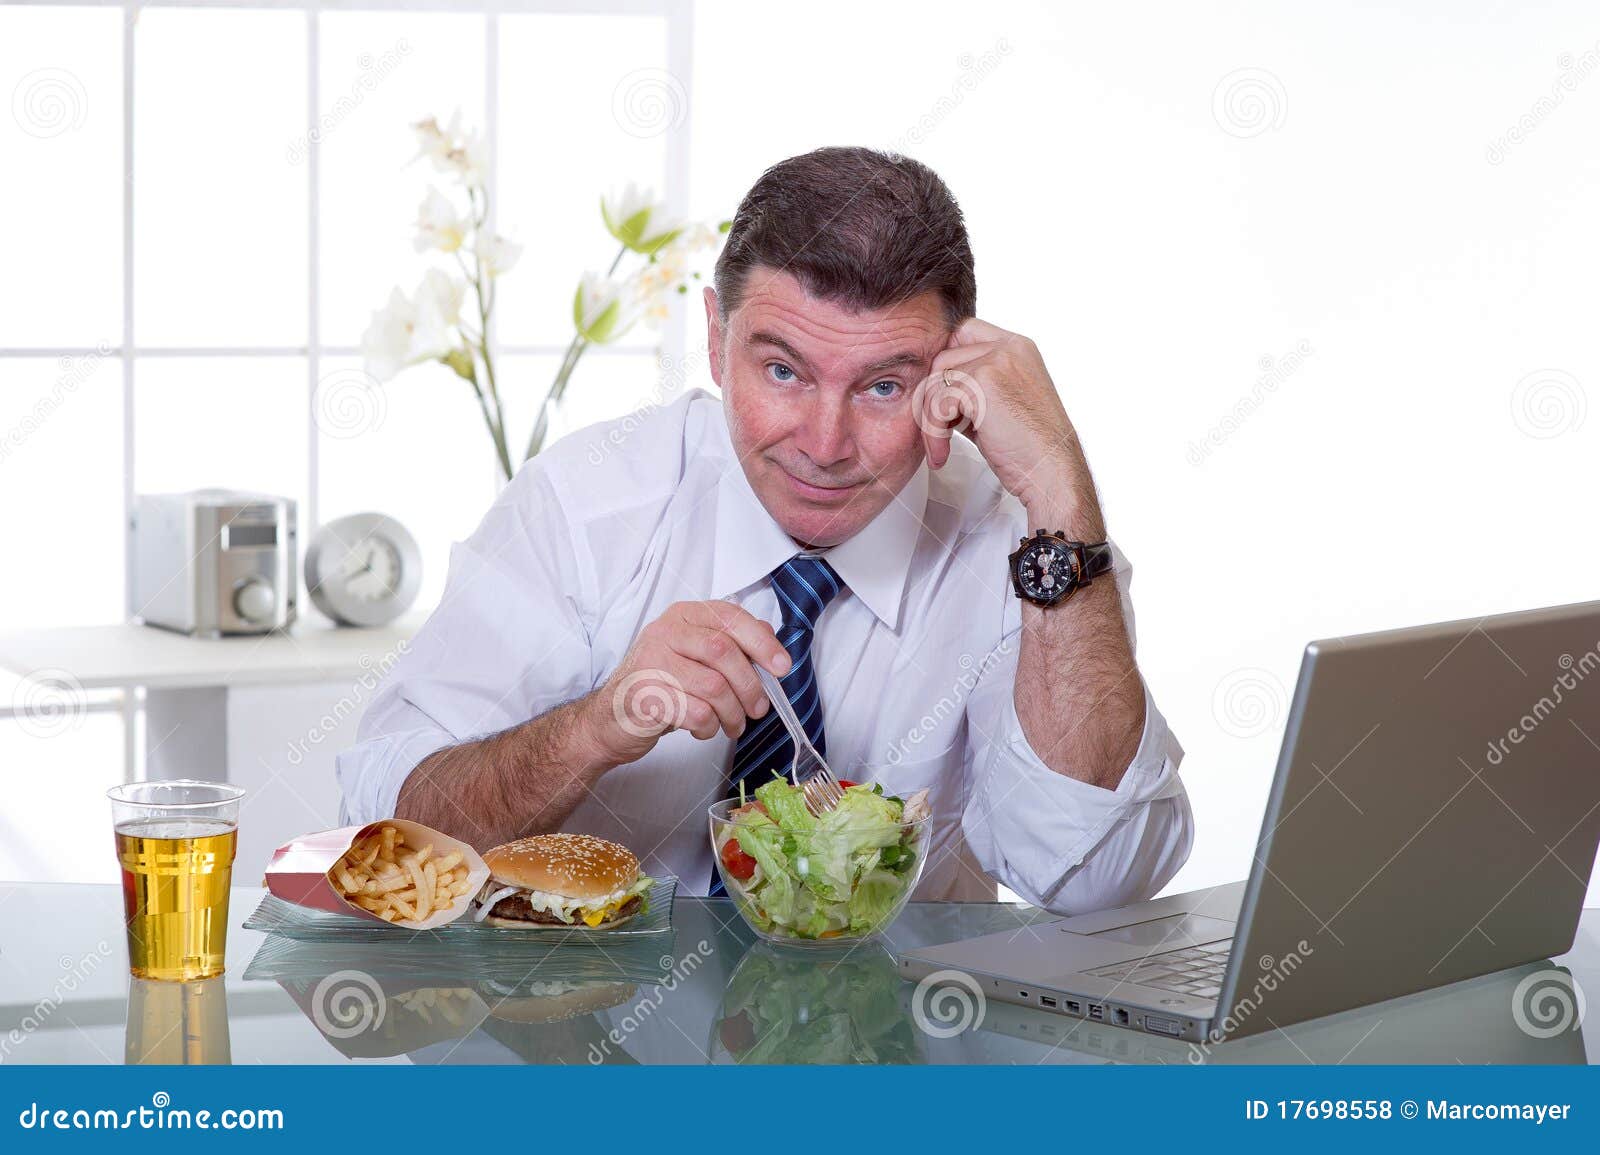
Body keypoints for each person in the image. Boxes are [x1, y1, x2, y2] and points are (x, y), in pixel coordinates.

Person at [337, 146, 1192, 912]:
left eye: (884, 386)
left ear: (953, 378)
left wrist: (1058, 482)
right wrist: (592, 730)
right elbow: (387, 830)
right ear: (716, 341)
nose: (824, 444)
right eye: (783, 370)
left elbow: (1096, 877)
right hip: (597, 1027)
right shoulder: (585, 505)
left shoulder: (1031, 550)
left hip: (903, 1032)